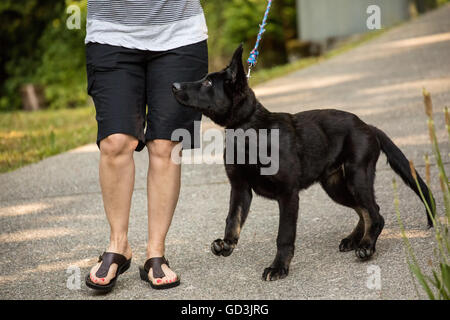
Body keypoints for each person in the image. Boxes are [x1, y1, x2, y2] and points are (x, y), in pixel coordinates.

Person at [84, 0, 208, 291]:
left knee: (167, 145)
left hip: (181, 33)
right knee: (115, 142)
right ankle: (118, 244)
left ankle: (156, 252)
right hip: (110, 34)